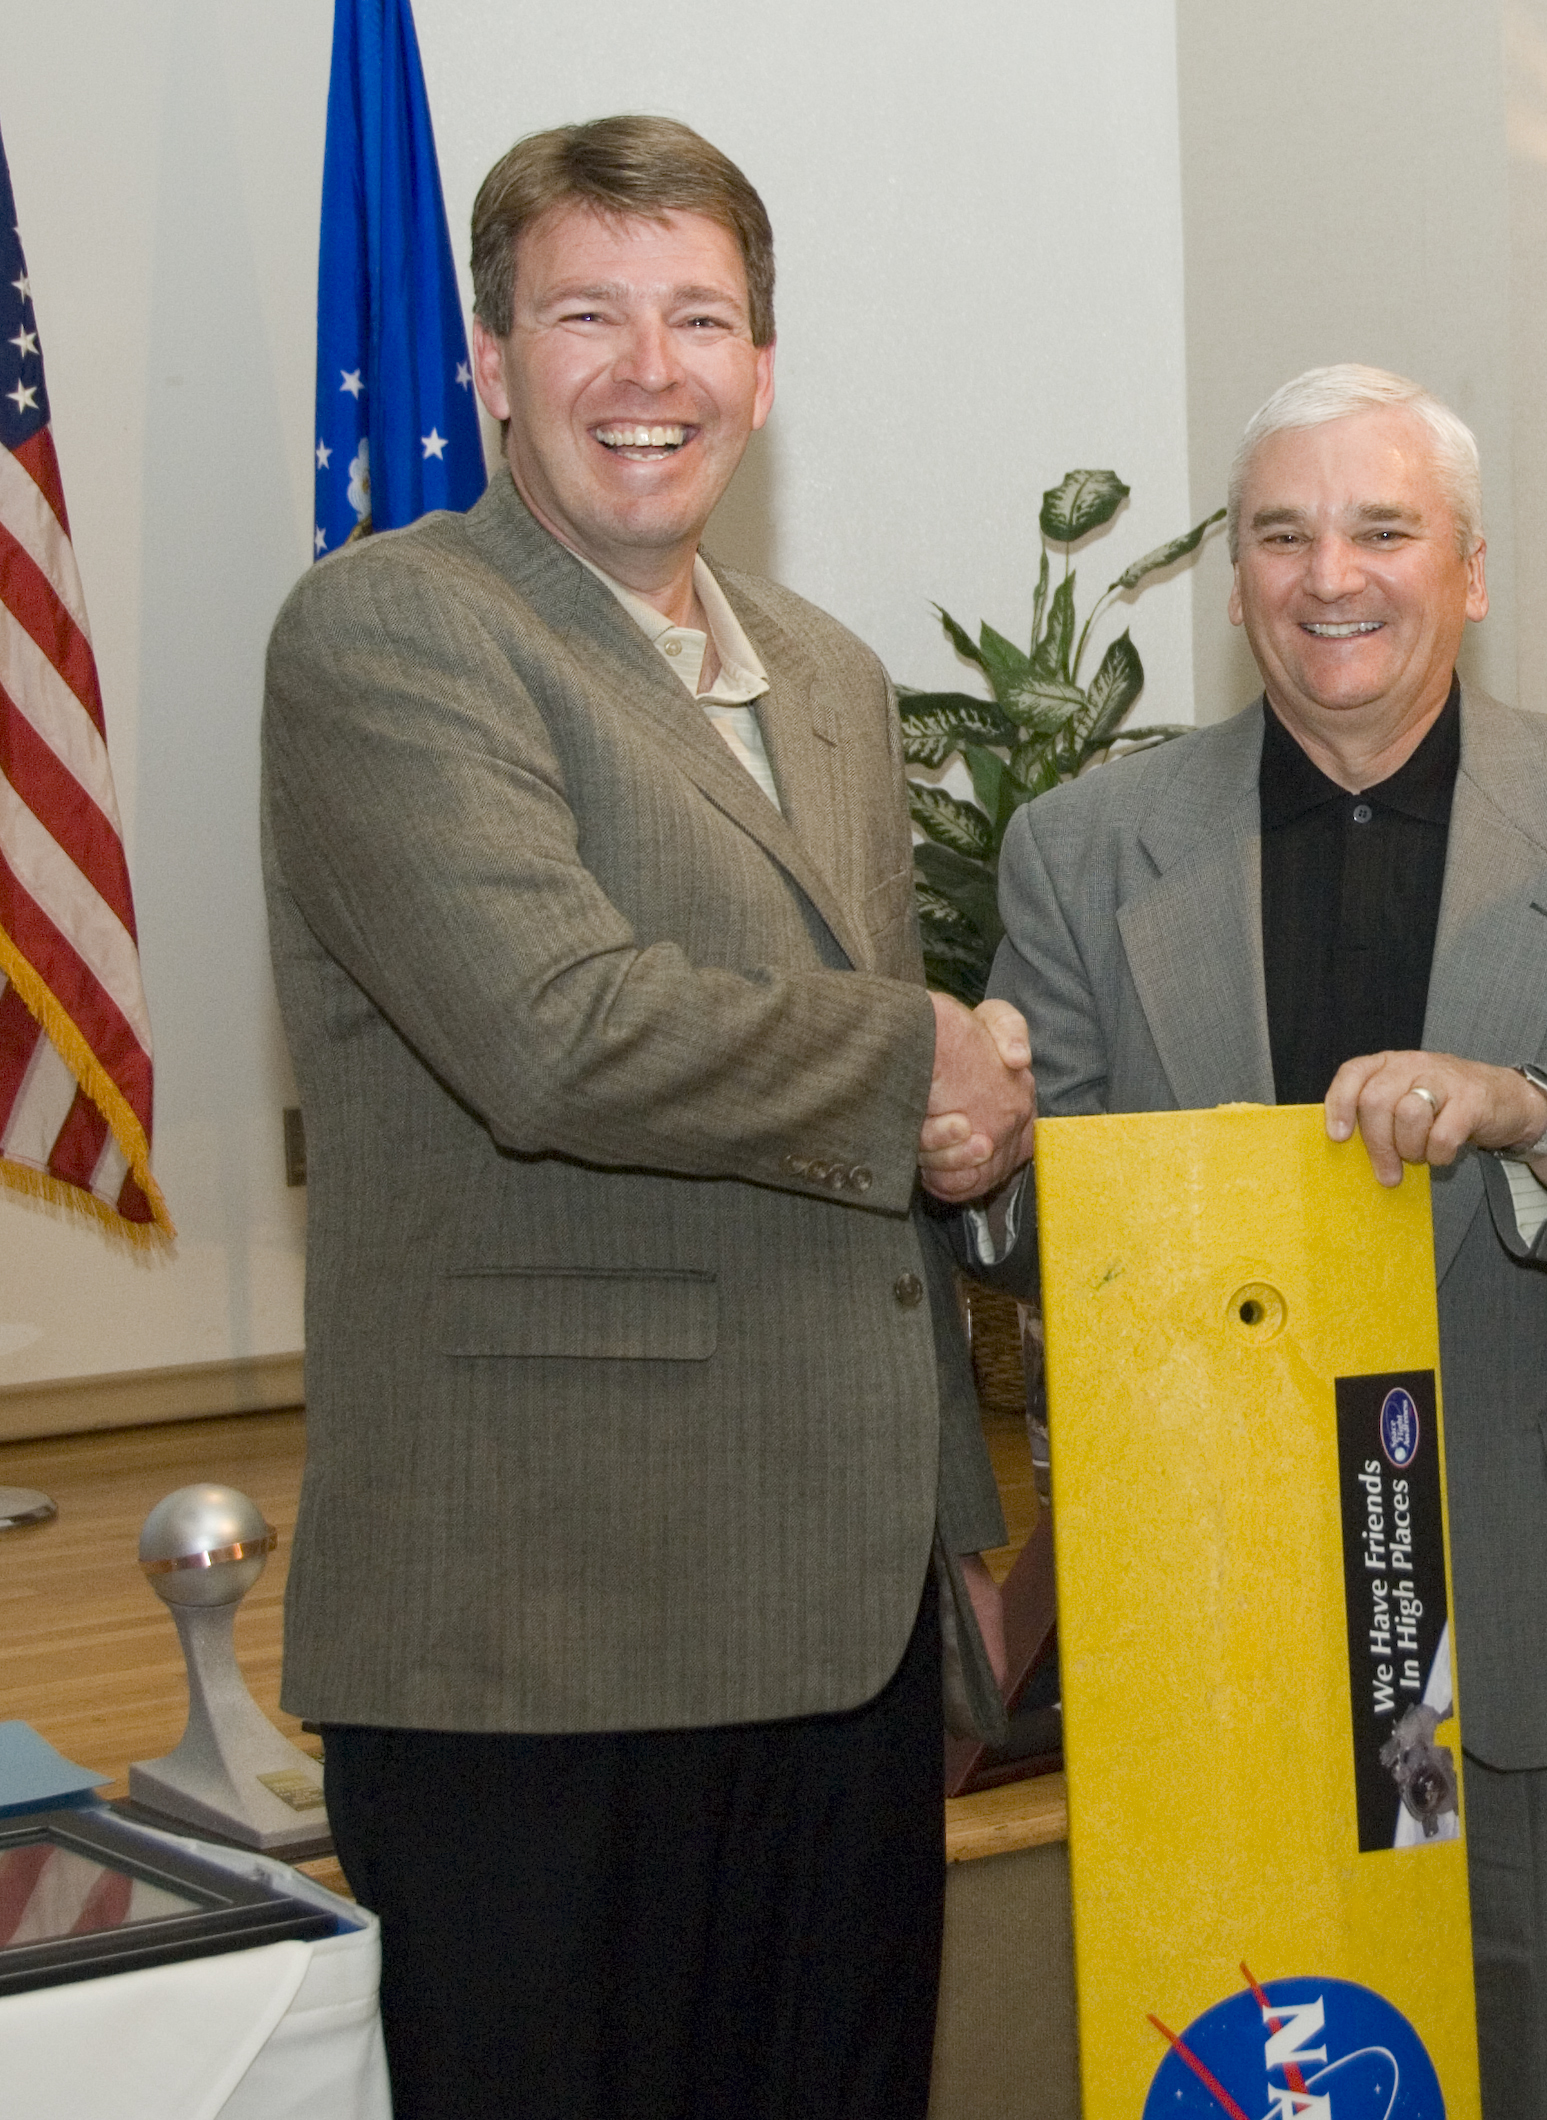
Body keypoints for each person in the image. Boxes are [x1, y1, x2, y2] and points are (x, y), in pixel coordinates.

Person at [262, 114, 1032, 2120]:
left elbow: (855, 1151)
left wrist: (953, 1529)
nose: (649, 369)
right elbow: (555, 1030)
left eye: (698, 317)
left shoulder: (829, 677)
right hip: (547, 1634)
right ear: (492, 363)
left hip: (843, 1630)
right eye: (585, 314)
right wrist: (920, 1066)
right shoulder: (391, 629)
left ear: (761, 372)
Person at [973, 363, 1547, 2119]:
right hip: (1219, 1624)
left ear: (1470, 570)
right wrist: (979, 1160)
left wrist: (1532, 1112)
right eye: (1283, 535)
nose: (1332, 576)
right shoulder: (1083, 851)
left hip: (1543, 1632)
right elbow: (1035, 1216)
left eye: (1384, 530)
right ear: (1235, 579)